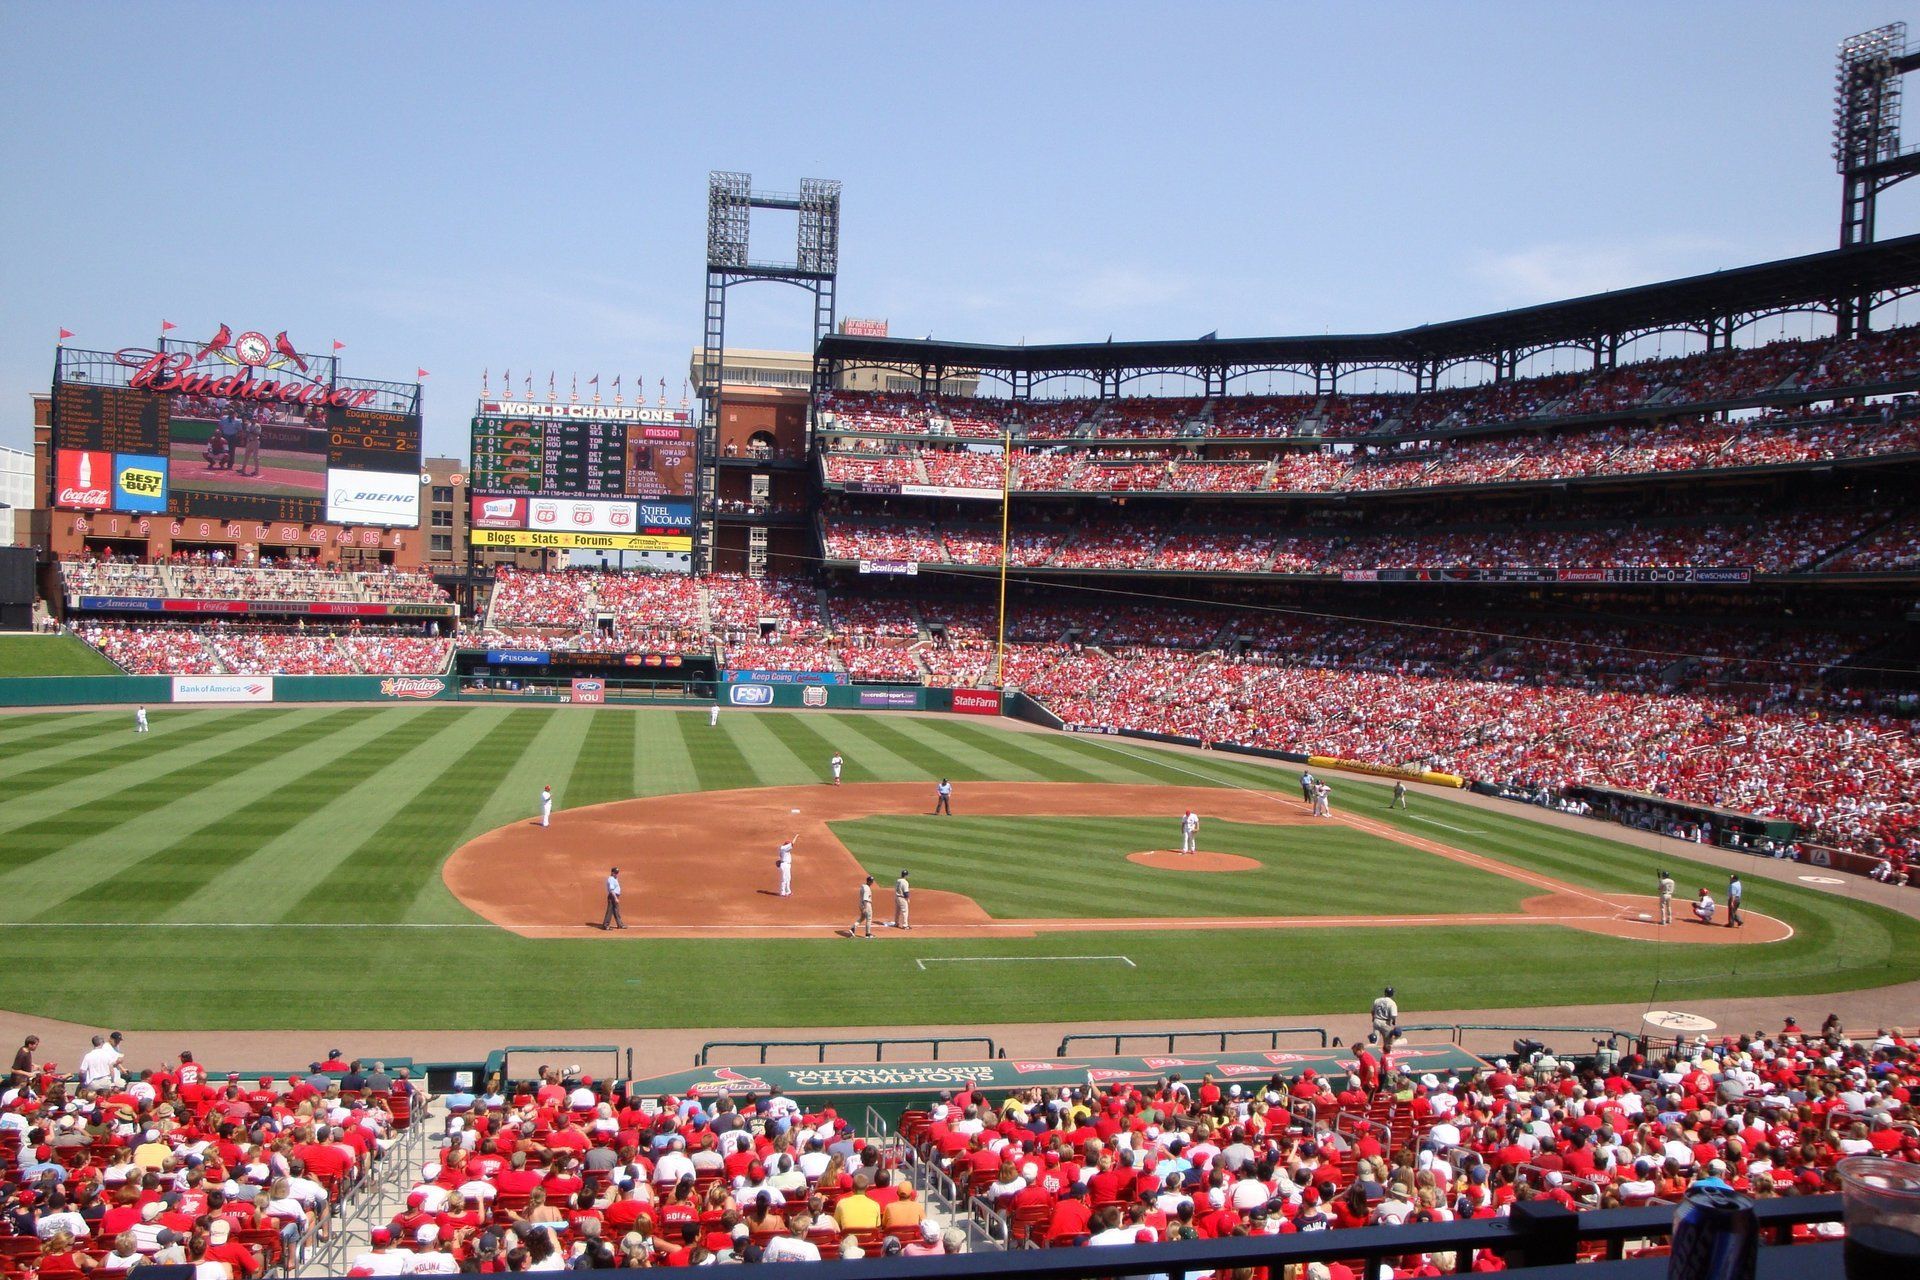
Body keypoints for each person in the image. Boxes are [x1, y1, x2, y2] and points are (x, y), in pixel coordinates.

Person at [602, 867, 624, 931]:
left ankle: (620, 924)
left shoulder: (614, 878)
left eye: (617, 873)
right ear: (612, 872)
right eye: (615, 873)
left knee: (616, 910)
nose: (616, 874)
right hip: (612, 896)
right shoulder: (611, 879)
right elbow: (611, 890)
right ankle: (606, 925)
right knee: (610, 911)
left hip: (615, 896)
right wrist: (615, 898)